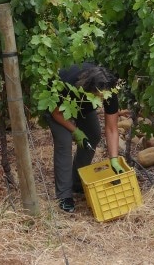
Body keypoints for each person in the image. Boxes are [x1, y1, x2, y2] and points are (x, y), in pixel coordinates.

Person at [44, 63, 122, 213]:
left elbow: (112, 128)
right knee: (64, 141)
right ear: (87, 89)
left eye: (102, 98)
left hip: (82, 107)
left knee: (93, 134)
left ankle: (77, 181)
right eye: (97, 97)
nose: (101, 102)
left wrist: (114, 159)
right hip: (57, 106)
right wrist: (76, 132)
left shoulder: (109, 90)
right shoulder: (68, 83)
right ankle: (64, 195)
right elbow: (56, 114)